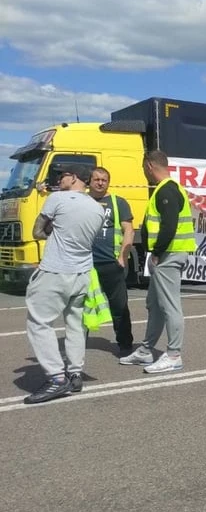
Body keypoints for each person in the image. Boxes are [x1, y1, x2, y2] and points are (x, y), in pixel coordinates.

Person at [23, 163, 106, 404]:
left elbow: (37, 231)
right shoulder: (97, 208)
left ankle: (56, 378)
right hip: (82, 274)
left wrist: (54, 229)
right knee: (75, 325)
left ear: (74, 177)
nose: (59, 179)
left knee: (39, 322)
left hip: (56, 271)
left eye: (63, 175)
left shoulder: (57, 199)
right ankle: (75, 373)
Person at [120, 150, 197, 374]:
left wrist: (157, 252)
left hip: (168, 255)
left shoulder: (167, 190)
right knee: (154, 304)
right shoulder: (168, 189)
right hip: (166, 255)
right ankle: (146, 350)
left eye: (143, 168)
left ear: (149, 166)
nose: (144, 172)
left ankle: (174, 355)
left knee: (170, 306)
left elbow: (169, 225)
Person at [88, 167, 136, 356]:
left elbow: (129, 230)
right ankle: (77, 345)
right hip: (86, 264)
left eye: (104, 180)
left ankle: (125, 345)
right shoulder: (82, 201)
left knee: (119, 306)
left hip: (111, 263)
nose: (100, 183)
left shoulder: (118, 202)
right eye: (97, 179)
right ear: (89, 181)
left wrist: (122, 257)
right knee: (82, 306)